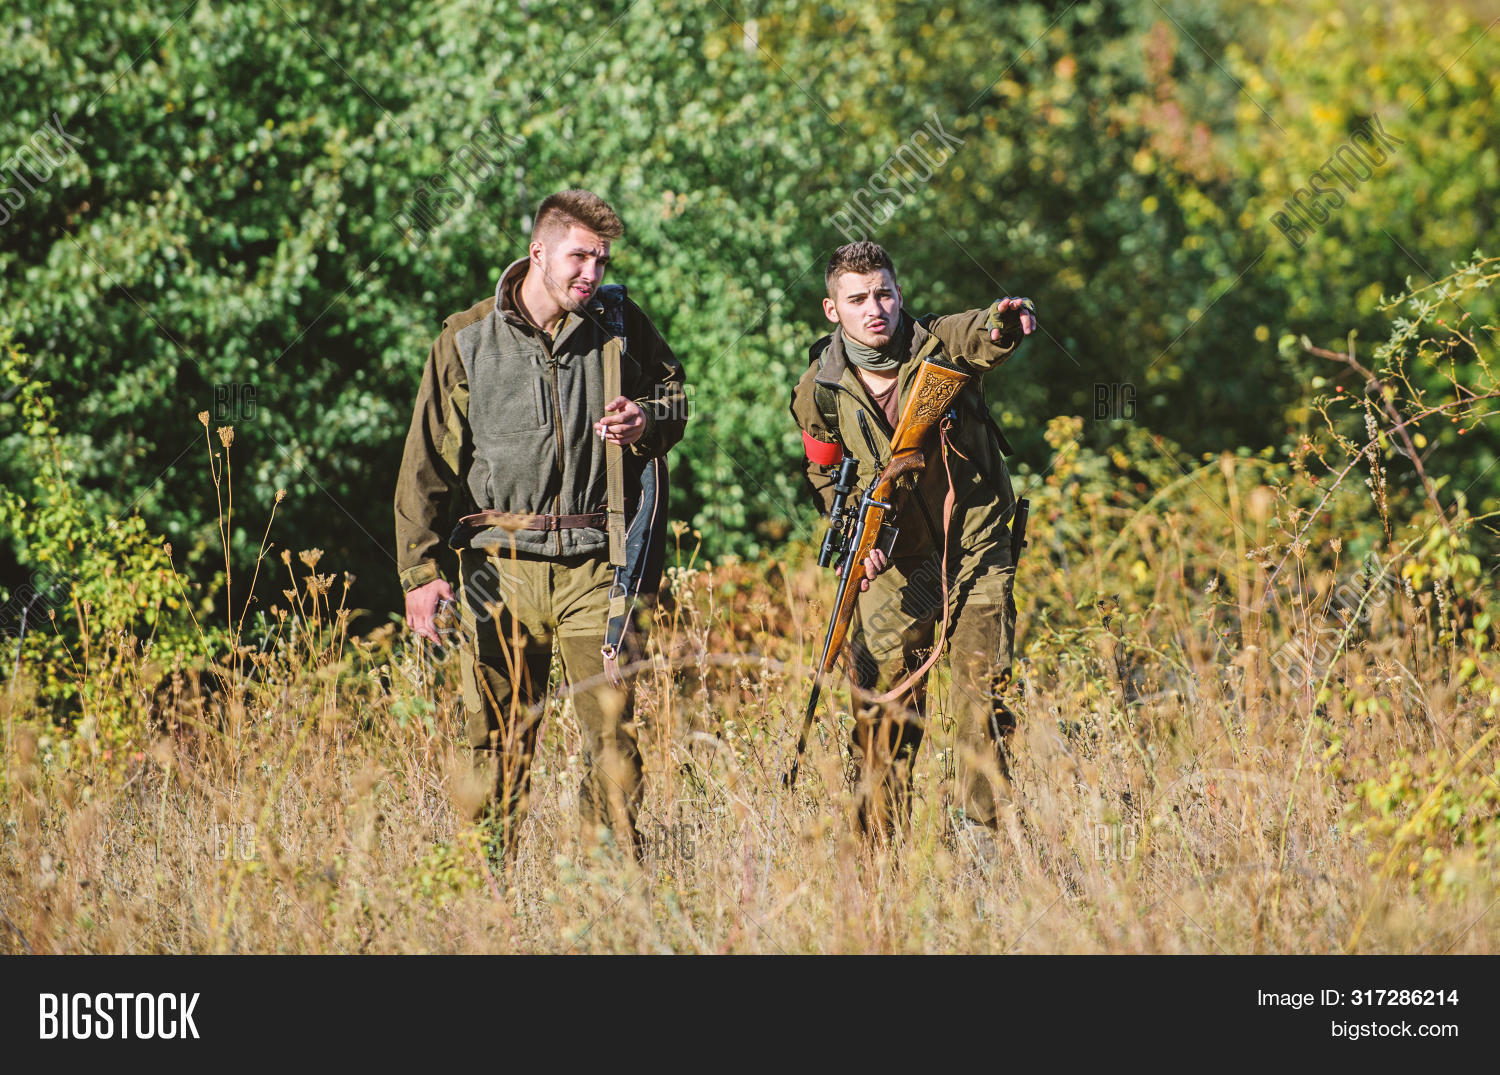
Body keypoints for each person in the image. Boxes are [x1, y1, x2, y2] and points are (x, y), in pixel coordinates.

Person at [395, 189, 686, 861]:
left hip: (595, 562)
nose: (592, 272)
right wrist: (420, 572)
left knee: (613, 740)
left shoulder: (619, 325)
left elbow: (674, 396)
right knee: (492, 739)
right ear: (537, 252)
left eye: (601, 259)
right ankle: (484, 894)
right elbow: (426, 463)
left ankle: (608, 891)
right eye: (578, 257)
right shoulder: (465, 337)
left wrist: (647, 420)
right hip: (498, 568)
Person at [789, 240, 1036, 844]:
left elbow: (985, 334)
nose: (875, 308)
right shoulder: (819, 389)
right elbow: (824, 472)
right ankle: (878, 859)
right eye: (857, 299)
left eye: (884, 293)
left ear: (899, 294)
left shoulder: (938, 343)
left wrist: (1006, 320)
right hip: (894, 565)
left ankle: (983, 848)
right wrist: (854, 536)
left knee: (983, 696)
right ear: (832, 310)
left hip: (976, 549)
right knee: (880, 714)